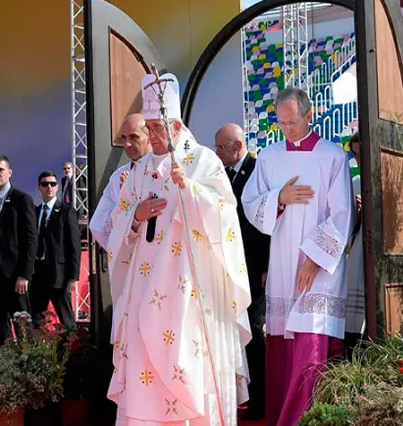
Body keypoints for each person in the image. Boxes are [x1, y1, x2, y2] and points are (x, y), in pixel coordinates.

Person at [105, 72, 252, 425]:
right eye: (150, 127)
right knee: (144, 363)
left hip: (189, 290)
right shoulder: (138, 171)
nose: (153, 135)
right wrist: (136, 217)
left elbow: (227, 219)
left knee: (186, 360)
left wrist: (191, 190)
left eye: (158, 127)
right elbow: (118, 225)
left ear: (177, 124)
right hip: (144, 289)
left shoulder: (203, 161)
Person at [241, 87, 356, 425]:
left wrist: (313, 260)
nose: (287, 129)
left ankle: (304, 419)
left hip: (318, 269)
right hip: (281, 261)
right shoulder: (269, 157)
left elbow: (342, 215)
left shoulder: (333, 157)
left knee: (311, 343)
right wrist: (280, 197)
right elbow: (250, 204)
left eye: (293, 121)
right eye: (281, 123)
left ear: (310, 115)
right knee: (282, 345)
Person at [214, 123, 270, 421]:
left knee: (254, 333)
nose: (218, 153)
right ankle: (243, 393)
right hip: (228, 269)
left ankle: (261, 398)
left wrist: (267, 266)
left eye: (221, 147)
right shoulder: (222, 174)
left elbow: (265, 224)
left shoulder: (257, 170)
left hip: (253, 267)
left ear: (237, 146)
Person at [0, 154, 38, 348]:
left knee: (21, 325)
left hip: (15, 274)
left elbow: (31, 240)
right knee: (0, 325)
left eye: (0, 170)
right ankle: (6, 368)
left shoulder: (22, 200)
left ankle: (28, 369)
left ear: (9, 173)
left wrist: (24, 274)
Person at [90, 113, 152, 251]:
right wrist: (123, 199)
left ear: (150, 136)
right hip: (131, 257)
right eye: (124, 138)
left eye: (134, 137)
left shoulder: (165, 169)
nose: (127, 144)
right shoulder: (118, 177)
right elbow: (99, 225)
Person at [30, 171, 81, 328]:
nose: (49, 187)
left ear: (58, 187)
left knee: (66, 319)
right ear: (39, 187)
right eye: (45, 184)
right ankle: (39, 351)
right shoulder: (35, 212)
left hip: (59, 274)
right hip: (37, 273)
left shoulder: (66, 211)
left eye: (52, 184)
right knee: (36, 318)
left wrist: (73, 277)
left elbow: (74, 245)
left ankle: (73, 350)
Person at [344, 132, 366, 360]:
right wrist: (357, 215)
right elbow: (346, 231)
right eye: (355, 154)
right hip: (358, 252)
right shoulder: (355, 183)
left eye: (362, 153)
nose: (359, 160)